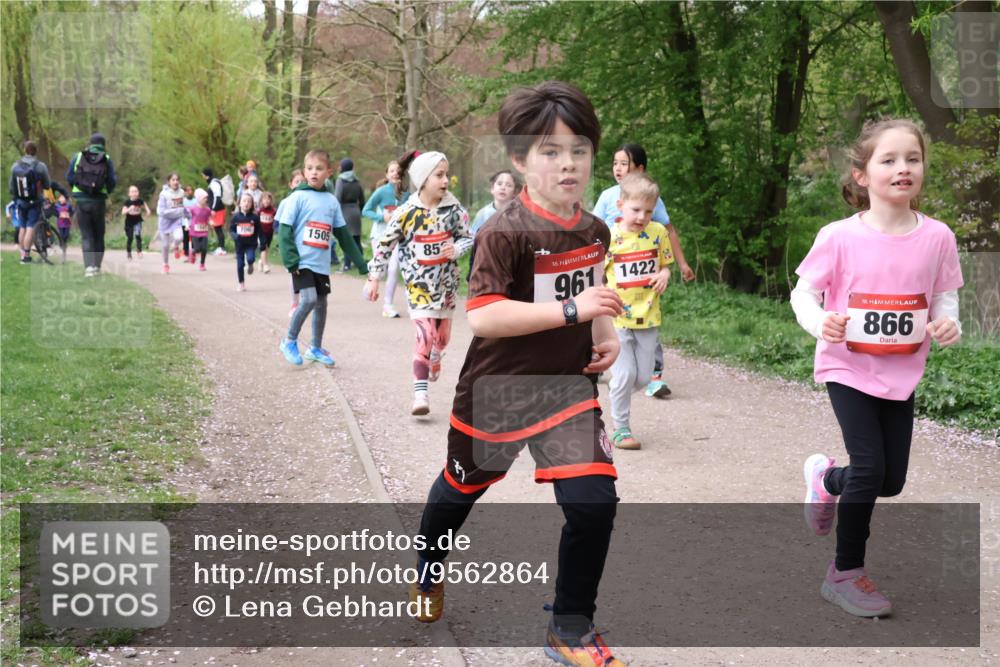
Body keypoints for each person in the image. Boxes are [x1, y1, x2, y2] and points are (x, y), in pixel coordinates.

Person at [384, 81, 628, 667]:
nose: (567, 163)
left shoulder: (595, 230)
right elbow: (487, 316)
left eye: (579, 150)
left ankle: (570, 628)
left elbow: (590, 293)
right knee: (458, 491)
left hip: (568, 390)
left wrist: (603, 334)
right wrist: (571, 311)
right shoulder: (503, 230)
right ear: (520, 161)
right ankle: (427, 568)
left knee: (594, 504)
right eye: (549, 151)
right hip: (499, 394)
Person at [792, 119, 963, 619]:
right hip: (847, 368)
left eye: (912, 158)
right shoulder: (839, 237)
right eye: (888, 160)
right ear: (862, 174)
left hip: (901, 373)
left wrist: (947, 323)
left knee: (889, 481)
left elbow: (944, 295)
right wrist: (822, 321)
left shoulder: (937, 237)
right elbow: (802, 292)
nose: (902, 168)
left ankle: (827, 479)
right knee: (871, 468)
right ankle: (845, 573)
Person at [365, 151, 472, 415]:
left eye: (446, 174)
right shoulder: (406, 213)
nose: (445, 180)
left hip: (446, 286)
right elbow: (384, 246)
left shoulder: (454, 210)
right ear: (423, 179)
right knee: (424, 335)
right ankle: (420, 394)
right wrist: (374, 278)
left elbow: (468, 237)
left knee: (442, 338)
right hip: (418, 287)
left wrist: (457, 249)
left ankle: (437, 354)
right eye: (439, 175)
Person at [592, 143, 693, 398]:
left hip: (644, 285)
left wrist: (678, 265)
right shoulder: (607, 197)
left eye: (624, 163)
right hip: (611, 266)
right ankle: (603, 362)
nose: (618, 168)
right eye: (615, 163)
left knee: (647, 327)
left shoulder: (651, 198)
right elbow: (592, 229)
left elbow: (667, 231)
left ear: (640, 168)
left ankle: (651, 375)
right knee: (608, 325)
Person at [604, 172, 675, 450]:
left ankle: (616, 392)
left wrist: (665, 274)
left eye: (648, 211)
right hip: (617, 317)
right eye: (636, 209)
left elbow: (665, 264)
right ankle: (621, 429)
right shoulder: (610, 237)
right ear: (621, 205)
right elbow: (597, 274)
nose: (642, 216)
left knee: (643, 378)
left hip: (649, 317)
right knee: (624, 376)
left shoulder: (657, 233)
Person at [277, 150, 368, 367]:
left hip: (321, 264)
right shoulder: (297, 197)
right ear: (304, 171)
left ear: (329, 172)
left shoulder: (331, 201)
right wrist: (291, 261)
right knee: (308, 299)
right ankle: (289, 340)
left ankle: (315, 348)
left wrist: (363, 265)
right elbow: (284, 230)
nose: (313, 173)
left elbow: (344, 236)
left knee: (321, 304)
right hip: (302, 262)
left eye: (319, 169)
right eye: (309, 169)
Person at [361, 158, 410, 318]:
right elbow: (366, 210)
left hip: (398, 238)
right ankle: (371, 279)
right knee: (380, 271)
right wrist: (382, 217)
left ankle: (388, 305)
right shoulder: (381, 191)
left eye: (398, 171)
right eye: (392, 171)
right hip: (380, 236)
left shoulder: (407, 194)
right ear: (387, 175)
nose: (395, 173)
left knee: (394, 268)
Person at [67, 133, 117, 276]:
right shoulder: (106, 159)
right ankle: (97, 267)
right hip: (99, 201)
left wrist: (78, 188)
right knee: (99, 234)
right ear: (103, 144)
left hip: (82, 201)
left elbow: (69, 176)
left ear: (90, 143)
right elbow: (112, 181)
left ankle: (89, 268)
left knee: (87, 234)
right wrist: (105, 191)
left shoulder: (78, 157)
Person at [468, 169, 519, 280]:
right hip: (487, 262)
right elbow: (473, 241)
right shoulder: (483, 214)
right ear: (492, 189)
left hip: (510, 263)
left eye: (509, 185)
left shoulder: (518, 215)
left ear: (514, 192)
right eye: (499, 184)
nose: (503, 187)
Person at [9, 140, 52, 264]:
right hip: (34, 201)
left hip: (21, 202)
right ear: (35, 151)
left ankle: (22, 255)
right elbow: (47, 184)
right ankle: (27, 256)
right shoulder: (40, 166)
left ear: (25, 150)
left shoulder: (15, 166)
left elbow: (12, 188)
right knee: (30, 227)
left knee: (22, 227)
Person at [334, 158, 366, 273]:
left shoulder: (340, 180)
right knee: (356, 239)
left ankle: (346, 265)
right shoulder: (357, 181)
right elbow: (362, 199)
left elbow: (337, 197)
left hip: (344, 211)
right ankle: (360, 263)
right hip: (355, 211)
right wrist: (360, 210)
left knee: (346, 239)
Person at [156, 173, 190, 274]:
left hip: (176, 221)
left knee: (179, 237)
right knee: (165, 245)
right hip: (165, 221)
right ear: (169, 182)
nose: (175, 182)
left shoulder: (181, 192)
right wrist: (177, 211)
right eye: (173, 180)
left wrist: (188, 216)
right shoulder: (164, 194)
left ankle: (175, 246)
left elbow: (182, 207)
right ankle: (165, 264)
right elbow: (161, 211)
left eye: (177, 180)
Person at [230, 192, 261, 291]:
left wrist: (263, 242)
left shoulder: (255, 218)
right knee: (240, 264)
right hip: (239, 244)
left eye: (249, 201)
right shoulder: (235, 217)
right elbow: (231, 230)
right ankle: (241, 283)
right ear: (239, 203)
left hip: (251, 244)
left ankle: (250, 264)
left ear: (252, 204)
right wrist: (235, 236)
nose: (246, 203)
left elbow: (259, 230)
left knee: (251, 258)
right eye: (244, 201)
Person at [201, 167, 228, 255]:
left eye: (203, 175)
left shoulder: (214, 183)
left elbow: (217, 196)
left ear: (207, 176)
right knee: (217, 229)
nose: (203, 177)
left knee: (218, 229)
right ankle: (220, 247)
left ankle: (222, 248)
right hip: (216, 209)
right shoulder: (212, 183)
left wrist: (213, 209)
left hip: (218, 209)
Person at [121, 185, 151, 260]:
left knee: (138, 235)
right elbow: (123, 212)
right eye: (132, 191)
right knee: (130, 238)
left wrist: (148, 210)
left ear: (138, 192)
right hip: (129, 222)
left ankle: (139, 250)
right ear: (129, 194)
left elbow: (144, 204)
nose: (134, 193)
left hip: (138, 221)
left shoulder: (140, 200)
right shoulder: (127, 202)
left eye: (136, 191)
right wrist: (129, 209)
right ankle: (129, 252)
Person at [188, 188, 212, 270]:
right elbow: (187, 216)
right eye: (204, 198)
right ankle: (193, 252)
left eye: (206, 198)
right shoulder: (193, 208)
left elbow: (209, 218)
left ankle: (202, 264)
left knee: (204, 248)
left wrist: (211, 224)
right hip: (194, 232)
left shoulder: (208, 209)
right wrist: (187, 225)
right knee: (197, 248)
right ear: (199, 199)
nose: (206, 200)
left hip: (204, 231)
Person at [257, 191, 276, 274]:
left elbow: (276, 220)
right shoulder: (260, 210)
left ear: (271, 201)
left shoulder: (273, 211)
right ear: (261, 201)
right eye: (264, 199)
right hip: (261, 232)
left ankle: (261, 261)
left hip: (270, 232)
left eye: (268, 199)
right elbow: (255, 220)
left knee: (267, 247)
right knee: (263, 247)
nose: (266, 201)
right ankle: (265, 265)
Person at [53, 194, 74, 262]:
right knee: (61, 236)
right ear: (59, 199)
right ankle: (62, 246)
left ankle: (64, 245)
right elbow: (55, 213)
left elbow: (72, 211)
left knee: (66, 236)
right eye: (61, 198)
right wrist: (59, 215)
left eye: (64, 198)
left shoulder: (69, 205)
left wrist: (68, 215)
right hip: (60, 224)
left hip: (67, 224)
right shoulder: (57, 206)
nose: (63, 199)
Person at [182, 184, 197, 259]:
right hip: (185, 222)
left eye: (191, 190)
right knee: (185, 238)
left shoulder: (196, 201)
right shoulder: (183, 201)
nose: (190, 192)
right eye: (188, 190)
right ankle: (186, 253)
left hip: (194, 222)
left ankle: (194, 252)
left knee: (194, 238)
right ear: (185, 192)